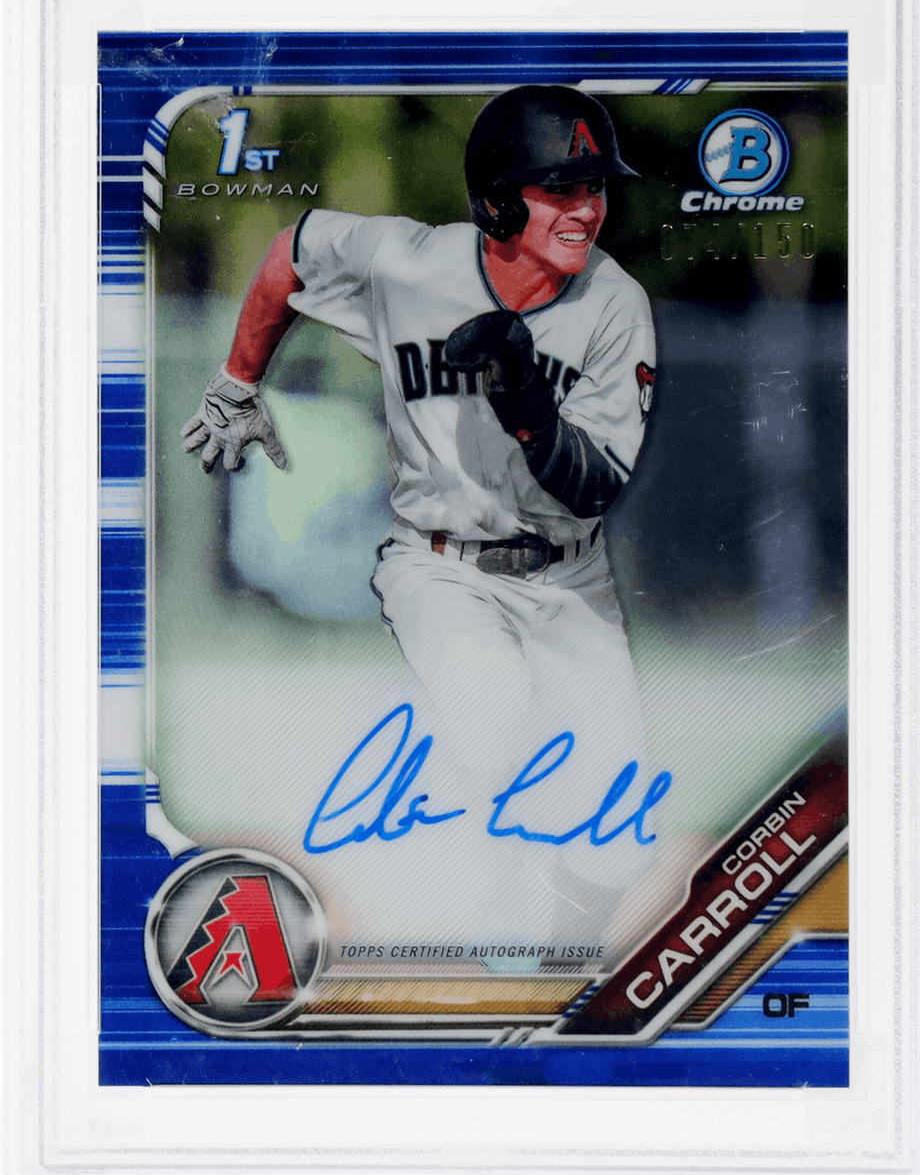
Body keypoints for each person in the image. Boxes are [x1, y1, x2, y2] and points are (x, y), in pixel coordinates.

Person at [182, 85, 661, 927]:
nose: (586, 207)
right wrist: (238, 381)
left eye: (594, 187)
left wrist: (526, 403)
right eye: (560, 187)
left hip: (567, 574)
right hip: (439, 565)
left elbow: (595, 484)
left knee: (617, 834)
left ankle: (559, 975)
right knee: (496, 722)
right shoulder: (408, 263)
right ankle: (443, 895)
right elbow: (292, 250)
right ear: (497, 200)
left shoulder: (613, 304)